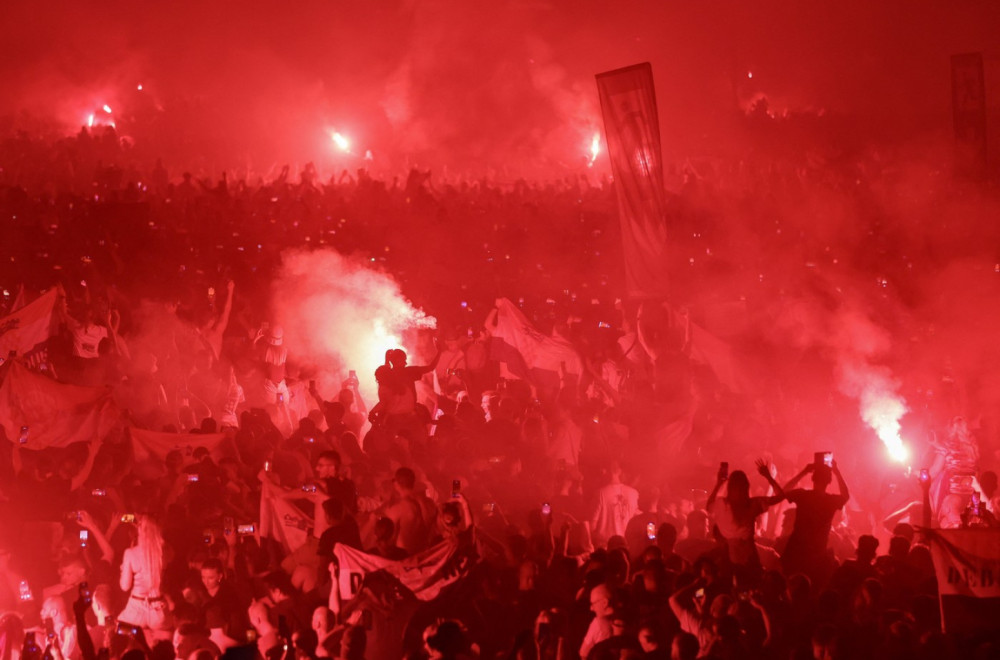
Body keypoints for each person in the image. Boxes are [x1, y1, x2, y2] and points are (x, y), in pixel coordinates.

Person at [781, 458, 851, 588]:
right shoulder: (830, 501)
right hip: (817, 553)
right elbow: (846, 496)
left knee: (788, 585)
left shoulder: (803, 495)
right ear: (829, 481)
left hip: (796, 550)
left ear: (812, 478)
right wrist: (837, 471)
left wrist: (804, 472)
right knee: (809, 588)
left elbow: (783, 492)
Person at [706, 459, 784, 574]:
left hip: (728, 559)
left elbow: (708, 506)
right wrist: (768, 477)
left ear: (729, 487)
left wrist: (719, 483)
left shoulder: (721, 504)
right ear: (747, 487)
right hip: (749, 558)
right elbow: (780, 496)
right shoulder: (752, 505)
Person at [117, 516, 169, 643]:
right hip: (158, 609)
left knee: (118, 632)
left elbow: (124, 586)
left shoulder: (130, 553)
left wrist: (123, 570)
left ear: (140, 530)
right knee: (158, 646)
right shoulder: (165, 552)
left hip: (136, 609)